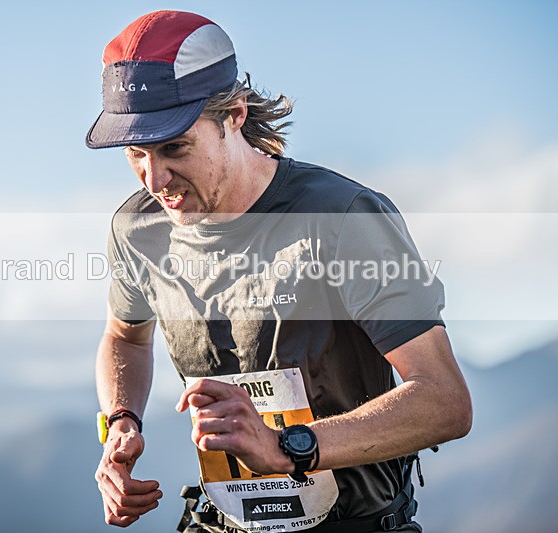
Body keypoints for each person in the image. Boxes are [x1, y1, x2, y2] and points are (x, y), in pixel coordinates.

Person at [86, 10, 472, 532]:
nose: (155, 178)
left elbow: (444, 401)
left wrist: (290, 448)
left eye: (174, 147)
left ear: (235, 115)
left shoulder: (341, 217)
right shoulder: (138, 229)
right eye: (136, 152)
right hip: (221, 521)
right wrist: (120, 422)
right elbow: (126, 339)